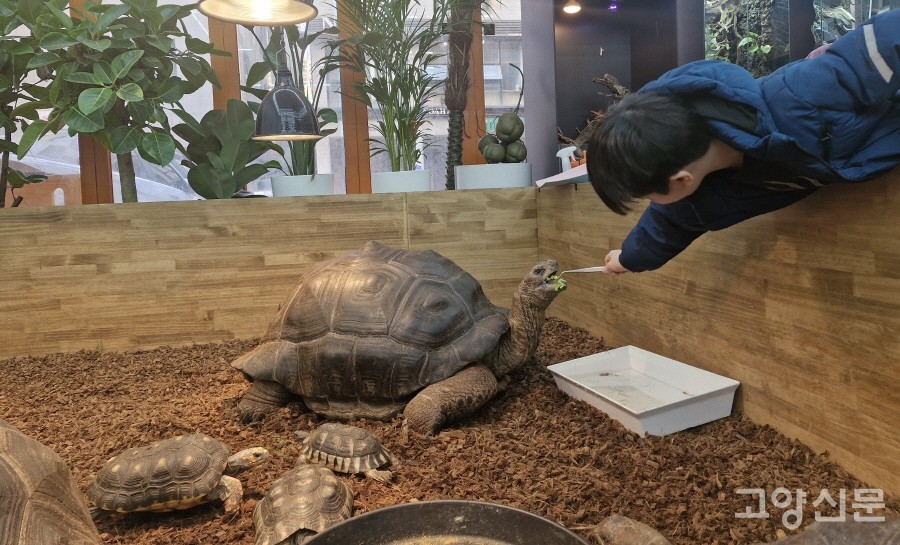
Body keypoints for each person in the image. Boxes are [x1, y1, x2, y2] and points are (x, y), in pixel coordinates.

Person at [586, 9, 900, 274]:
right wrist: (627, 259)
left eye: (645, 196)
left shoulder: (800, 94)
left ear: (682, 179)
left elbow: (885, 38)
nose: (650, 205)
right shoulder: (699, 196)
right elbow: (665, 227)